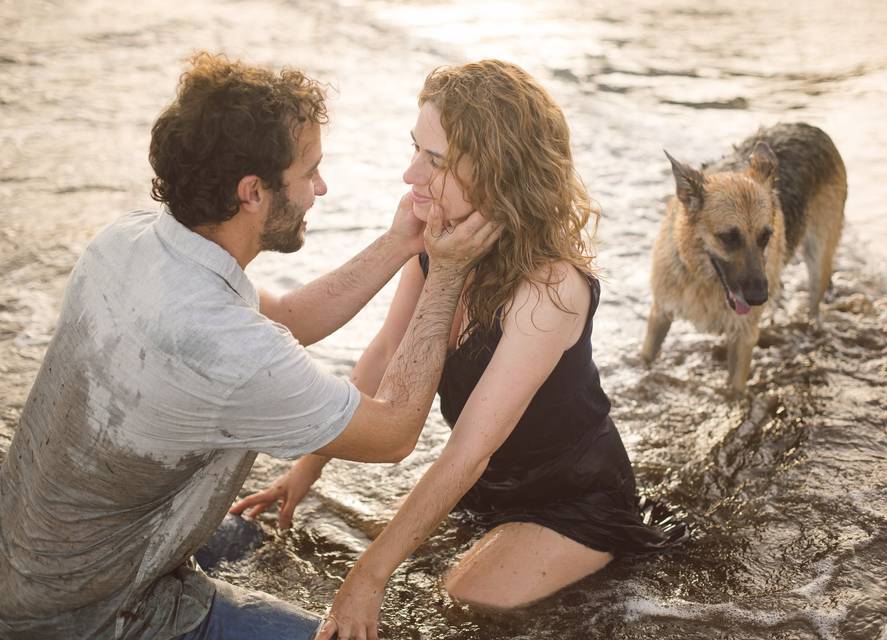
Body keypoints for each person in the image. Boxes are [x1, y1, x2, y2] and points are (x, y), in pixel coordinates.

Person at [0, 52, 499, 640]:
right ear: (253, 193)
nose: (320, 187)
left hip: (29, 557)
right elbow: (393, 435)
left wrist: (397, 245)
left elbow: (288, 318)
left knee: (250, 534)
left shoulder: (131, 241)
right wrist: (444, 275)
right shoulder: (226, 349)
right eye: (308, 171)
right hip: (86, 616)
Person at [231, 60, 686, 640]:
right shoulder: (438, 243)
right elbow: (385, 355)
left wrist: (368, 577)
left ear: (497, 172)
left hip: (573, 502)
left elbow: (467, 450)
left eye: (436, 161)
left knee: (458, 599)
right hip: (489, 492)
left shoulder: (552, 289)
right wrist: (308, 469)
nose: (409, 174)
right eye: (415, 150)